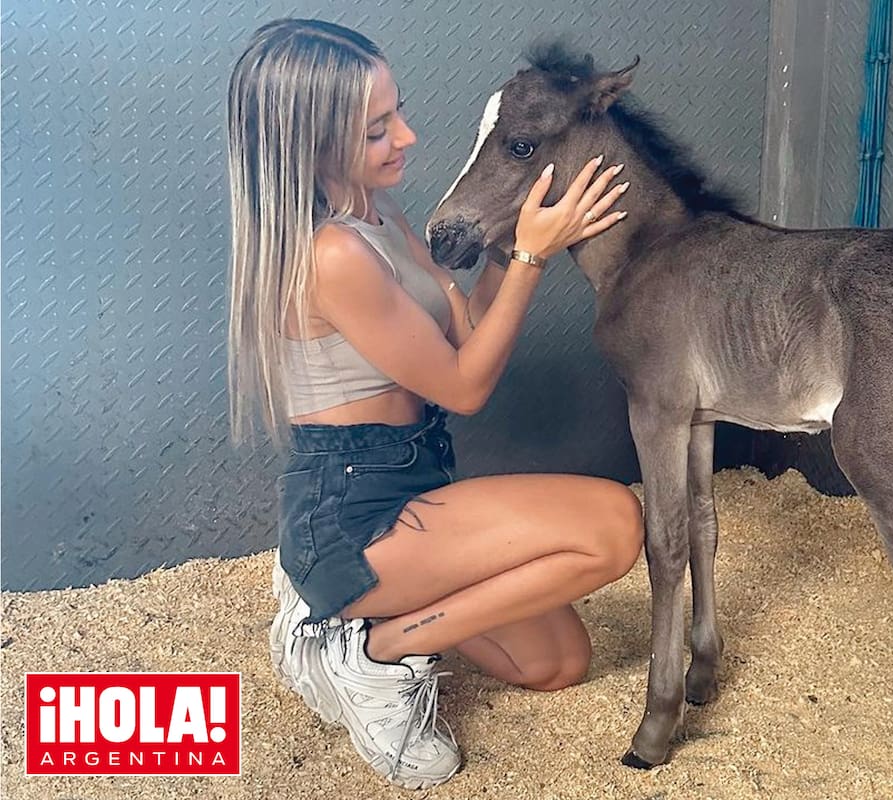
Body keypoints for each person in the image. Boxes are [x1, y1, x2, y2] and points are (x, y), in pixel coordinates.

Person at [225, 18, 645, 789]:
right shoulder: (332, 253)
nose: (408, 137)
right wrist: (528, 255)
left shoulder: (381, 220)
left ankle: (369, 626)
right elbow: (464, 387)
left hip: (414, 485)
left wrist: (522, 244)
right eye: (378, 128)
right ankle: (366, 653)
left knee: (557, 663)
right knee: (615, 525)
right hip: (351, 517)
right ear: (310, 145)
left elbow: (471, 336)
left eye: (399, 112)